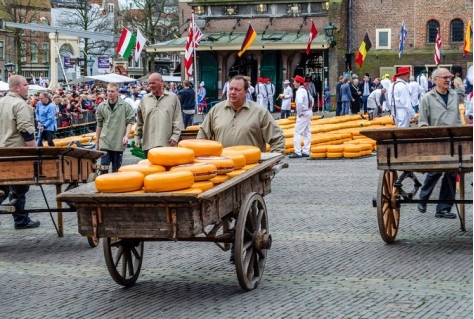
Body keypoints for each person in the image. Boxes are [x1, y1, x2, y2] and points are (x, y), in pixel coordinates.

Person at [197, 75, 284, 153]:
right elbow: (202, 136)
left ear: (246, 92)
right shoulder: (216, 110)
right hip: (222, 166)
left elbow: (277, 138)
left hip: (252, 167)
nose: (232, 92)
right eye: (231, 89)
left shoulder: (259, 112)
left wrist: (273, 161)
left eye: (237, 89)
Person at [417, 68, 462, 219]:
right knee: (435, 170)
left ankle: (443, 208)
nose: (448, 80)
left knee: (452, 172)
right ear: (435, 80)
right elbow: (422, 123)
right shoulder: (427, 98)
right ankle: (423, 198)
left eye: (449, 77)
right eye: (444, 77)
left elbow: (457, 119)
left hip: (453, 140)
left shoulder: (454, 95)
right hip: (436, 141)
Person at [0, 75, 40, 229]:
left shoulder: (1, 102)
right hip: (17, 153)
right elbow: (26, 131)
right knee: (19, 186)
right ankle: (21, 219)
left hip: (2, 151)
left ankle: (21, 218)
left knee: (6, 186)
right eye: (25, 84)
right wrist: (35, 152)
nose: (28, 86)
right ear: (17, 88)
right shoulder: (20, 104)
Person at [135, 73, 183, 157]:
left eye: (154, 83)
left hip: (167, 144)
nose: (151, 85)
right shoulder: (145, 100)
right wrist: (137, 137)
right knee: (151, 169)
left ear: (162, 82)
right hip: (149, 144)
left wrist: (175, 136)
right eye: (149, 83)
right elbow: (140, 122)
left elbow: (177, 120)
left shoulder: (172, 98)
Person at [95, 83, 135, 174]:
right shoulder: (102, 106)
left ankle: (115, 187)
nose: (110, 93)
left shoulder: (125, 106)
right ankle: (104, 187)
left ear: (117, 92)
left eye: (112, 91)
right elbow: (99, 125)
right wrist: (97, 142)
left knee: (116, 170)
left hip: (118, 142)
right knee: (103, 167)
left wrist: (126, 136)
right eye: (108, 91)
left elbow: (129, 122)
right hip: (105, 141)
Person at [289, 75, 312, 158]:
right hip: (308, 111)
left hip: (303, 113)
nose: (293, 83)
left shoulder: (299, 91)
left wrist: (299, 112)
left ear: (298, 83)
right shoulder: (306, 90)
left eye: (294, 81)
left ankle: (298, 151)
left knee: (297, 132)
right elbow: (312, 100)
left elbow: (299, 102)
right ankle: (306, 150)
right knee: (307, 131)